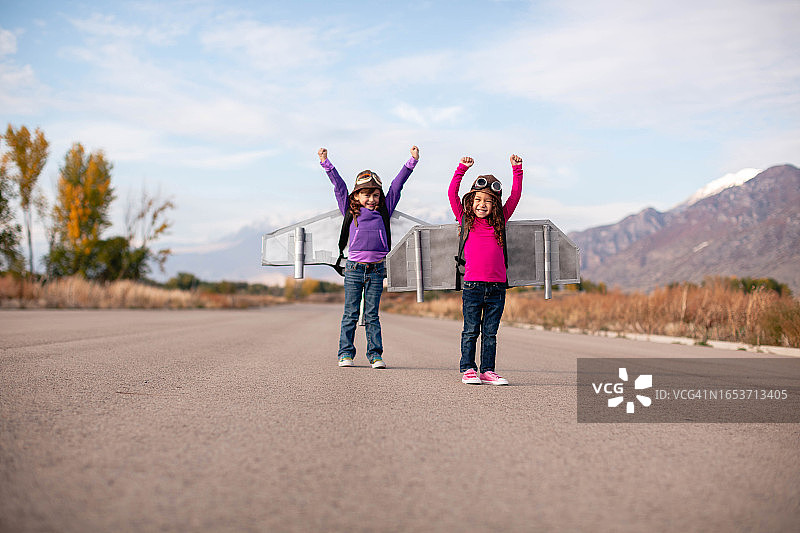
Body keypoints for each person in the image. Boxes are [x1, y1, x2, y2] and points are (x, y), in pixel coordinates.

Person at [318, 145, 420, 368]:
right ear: (356, 195)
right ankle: (345, 354)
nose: (372, 199)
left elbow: (396, 186)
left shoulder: (385, 209)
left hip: (376, 270)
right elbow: (339, 187)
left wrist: (411, 162)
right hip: (354, 269)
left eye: (375, 195)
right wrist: (327, 163)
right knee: (350, 314)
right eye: (366, 194)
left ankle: (375, 355)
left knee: (372, 315)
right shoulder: (349, 209)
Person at [448, 154, 523, 385]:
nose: (482, 204)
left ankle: (488, 371)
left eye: (488, 201)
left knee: (490, 334)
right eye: (478, 199)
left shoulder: (501, 219)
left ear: (496, 205)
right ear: (470, 201)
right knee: (471, 330)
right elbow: (452, 193)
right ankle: (468, 369)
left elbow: (515, 196)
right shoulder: (465, 220)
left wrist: (517, 170)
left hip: (498, 287)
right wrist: (461, 169)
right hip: (472, 285)